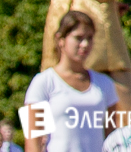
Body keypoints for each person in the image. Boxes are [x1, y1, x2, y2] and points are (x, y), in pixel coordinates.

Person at [24, 11, 120, 152]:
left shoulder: (104, 83)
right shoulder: (44, 82)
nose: (85, 44)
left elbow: (112, 136)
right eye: (78, 38)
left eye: (89, 38)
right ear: (60, 39)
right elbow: (33, 140)